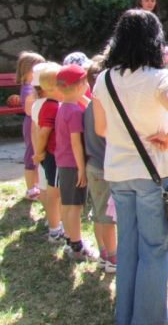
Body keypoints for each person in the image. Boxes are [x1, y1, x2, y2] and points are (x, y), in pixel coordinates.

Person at [92, 9, 168, 325]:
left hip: (118, 173)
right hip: (153, 174)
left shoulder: (103, 79)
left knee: (129, 248)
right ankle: (150, 319)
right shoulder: (158, 77)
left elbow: (101, 129)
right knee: (155, 249)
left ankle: (127, 316)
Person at [55, 64, 98, 261]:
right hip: (74, 165)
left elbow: (88, 104)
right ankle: (77, 246)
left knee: (67, 204)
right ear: (81, 85)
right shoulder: (74, 113)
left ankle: (69, 238)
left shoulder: (64, 106)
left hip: (63, 163)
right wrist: (81, 168)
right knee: (75, 206)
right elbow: (75, 142)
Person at [84, 56, 117, 274]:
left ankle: (103, 254)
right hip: (105, 167)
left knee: (98, 213)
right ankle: (113, 258)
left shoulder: (88, 106)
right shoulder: (105, 108)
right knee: (108, 218)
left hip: (92, 166)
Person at [32, 62, 65, 245]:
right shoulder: (52, 106)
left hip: (50, 154)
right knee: (55, 194)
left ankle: (57, 227)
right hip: (54, 155)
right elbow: (44, 132)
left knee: (54, 192)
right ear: (53, 87)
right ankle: (55, 230)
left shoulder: (46, 104)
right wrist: (38, 153)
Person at [16, 50, 45, 200]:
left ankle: (36, 185)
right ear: (29, 70)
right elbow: (29, 111)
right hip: (31, 124)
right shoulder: (29, 90)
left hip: (34, 122)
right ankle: (30, 188)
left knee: (36, 152)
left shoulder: (30, 87)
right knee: (31, 154)